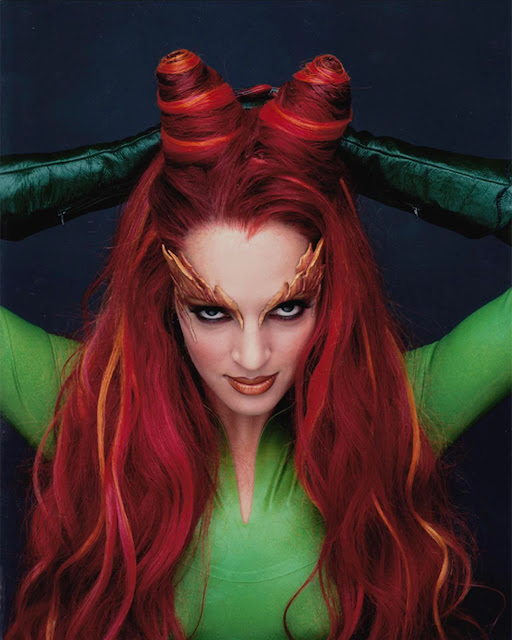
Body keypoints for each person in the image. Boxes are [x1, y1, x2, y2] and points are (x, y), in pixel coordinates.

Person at [2, 49, 510, 640]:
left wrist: (370, 163)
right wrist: (123, 166)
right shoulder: (89, 405)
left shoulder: (396, 407)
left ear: (331, 295)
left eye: (288, 308)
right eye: (212, 311)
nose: (251, 356)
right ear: (165, 296)